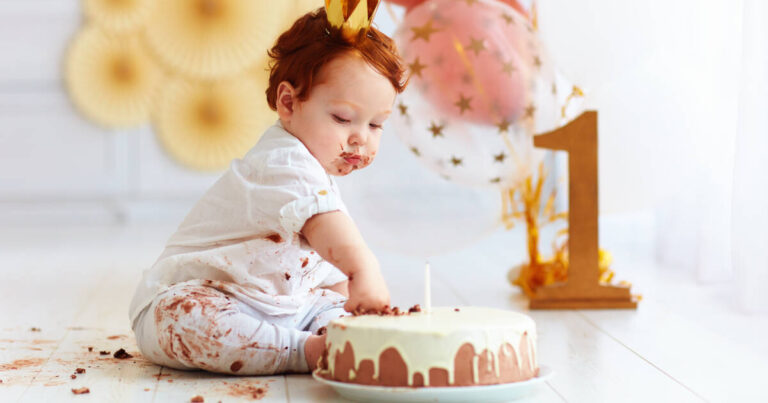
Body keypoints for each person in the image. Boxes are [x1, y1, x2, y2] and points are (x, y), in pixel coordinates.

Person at [128, 4, 407, 375]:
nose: (360, 138)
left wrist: (346, 309)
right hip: (208, 295)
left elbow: (325, 270)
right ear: (288, 103)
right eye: (342, 118)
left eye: (376, 124)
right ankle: (304, 351)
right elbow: (333, 236)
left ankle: (326, 341)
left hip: (286, 308)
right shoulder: (282, 163)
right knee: (187, 319)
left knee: (333, 311)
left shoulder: (318, 172)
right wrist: (365, 271)